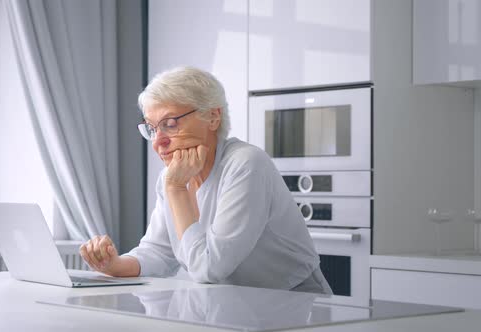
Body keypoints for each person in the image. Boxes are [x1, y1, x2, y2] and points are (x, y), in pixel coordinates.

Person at [79, 66, 332, 294]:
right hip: (233, 304)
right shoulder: (172, 177)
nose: (158, 142)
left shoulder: (245, 164)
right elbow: (159, 251)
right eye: (152, 128)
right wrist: (115, 265)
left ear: (213, 117)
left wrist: (176, 190)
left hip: (294, 304)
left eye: (170, 123)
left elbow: (209, 268)